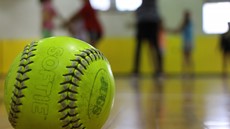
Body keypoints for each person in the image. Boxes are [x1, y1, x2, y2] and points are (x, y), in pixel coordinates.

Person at [133, 0, 163, 78]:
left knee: (140, 48)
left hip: (146, 21)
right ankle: (159, 71)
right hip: (149, 20)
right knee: (154, 48)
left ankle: (136, 72)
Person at [172, 10, 194, 76]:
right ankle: (190, 72)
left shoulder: (185, 21)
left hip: (187, 42)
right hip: (190, 42)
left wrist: (172, 31)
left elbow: (178, 30)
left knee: (185, 57)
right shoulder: (190, 22)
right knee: (189, 57)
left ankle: (185, 73)